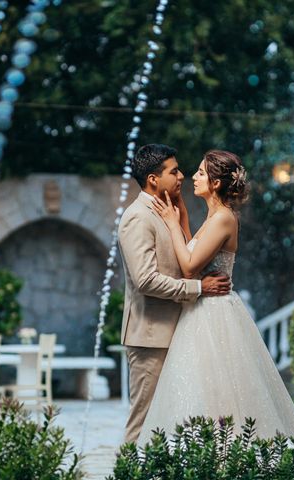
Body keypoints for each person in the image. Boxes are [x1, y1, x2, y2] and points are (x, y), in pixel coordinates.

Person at [138, 149, 294, 446]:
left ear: (215, 183)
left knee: (222, 391)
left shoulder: (224, 218)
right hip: (201, 310)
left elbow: (188, 265)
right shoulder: (213, 216)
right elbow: (193, 255)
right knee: (200, 390)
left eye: (201, 172)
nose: (194, 177)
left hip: (215, 314)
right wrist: (184, 217)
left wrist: (173, 224)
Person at [118, 144, 232, 444]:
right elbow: (145, 280)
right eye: (174, 171)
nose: (182, 175)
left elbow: (185, 261)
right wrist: (199, 288)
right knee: (142, 423)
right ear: (154, 179)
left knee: (175, 422)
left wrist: (179, 217)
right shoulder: (138, 217)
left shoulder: (167, 210)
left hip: (181, 333)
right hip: (151, 337)